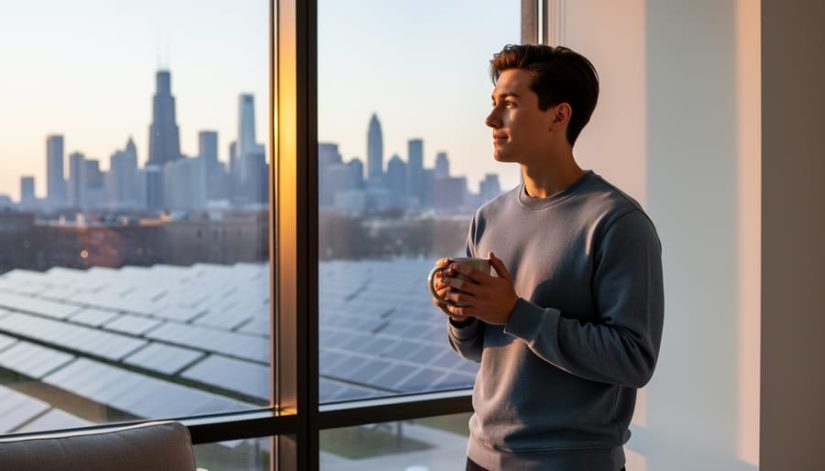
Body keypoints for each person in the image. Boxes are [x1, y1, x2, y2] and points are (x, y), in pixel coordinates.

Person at [431, 44, 664, 471]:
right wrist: (462, 314)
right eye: (493, 104)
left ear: (559, 116)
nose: (491, 119)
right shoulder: (487, 218)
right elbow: (479, 350)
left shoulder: (617, 222)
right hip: (480, 458)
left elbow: (634, 360)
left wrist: (516, 312)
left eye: (510, 104)